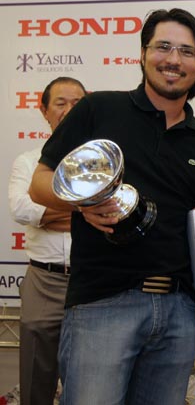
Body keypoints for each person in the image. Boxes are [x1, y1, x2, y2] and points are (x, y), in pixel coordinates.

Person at [28, 8, 195, 405]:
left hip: (178, 311)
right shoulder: (99, 109)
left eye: (187, 52)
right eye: (164, 47)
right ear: (142, 54)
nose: (174, 59)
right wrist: (83, 202)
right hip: (101, 304)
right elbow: (40, 183)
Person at [8, 76, 86, 405]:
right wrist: (82, 212)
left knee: (89, 381)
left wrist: (49, 210)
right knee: (34, 383)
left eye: (78, 104)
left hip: (92, 281)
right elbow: (22, 208)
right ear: (44, 111)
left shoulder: (103, 161)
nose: (69, 110)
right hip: (44, 280)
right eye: (60, 103)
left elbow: (112, 213)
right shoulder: (28, 161)